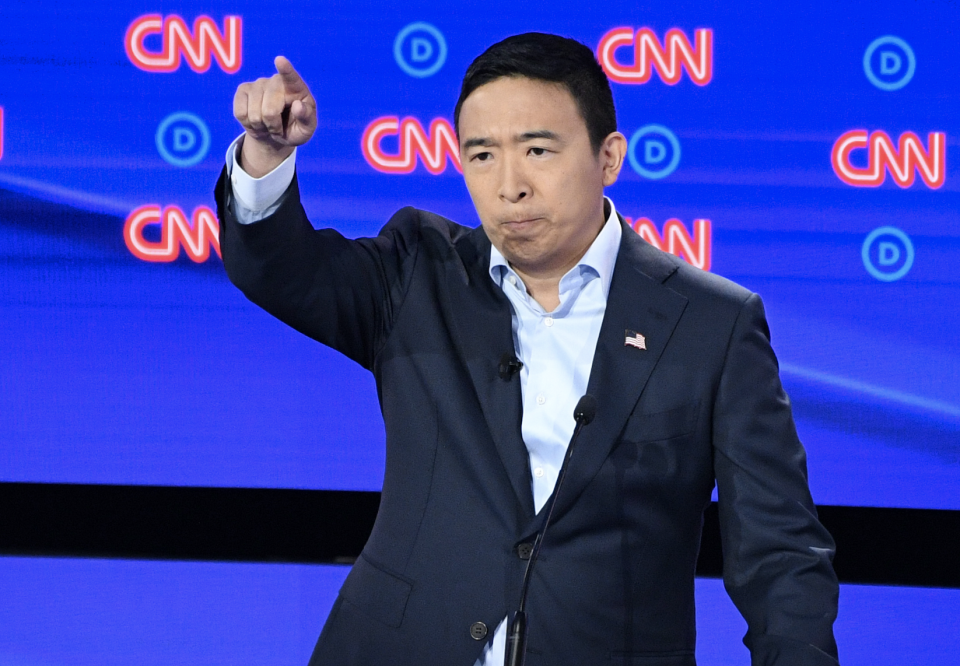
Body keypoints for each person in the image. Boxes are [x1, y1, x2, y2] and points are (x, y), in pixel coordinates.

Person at [216, 33, 840, 666]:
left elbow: (781, 554)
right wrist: (266, 151)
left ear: (609, 157)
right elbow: (279, 270)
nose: (509, 186)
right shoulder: (417, 275)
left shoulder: (713, 323)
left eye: (537, 150)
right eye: (481, 156)